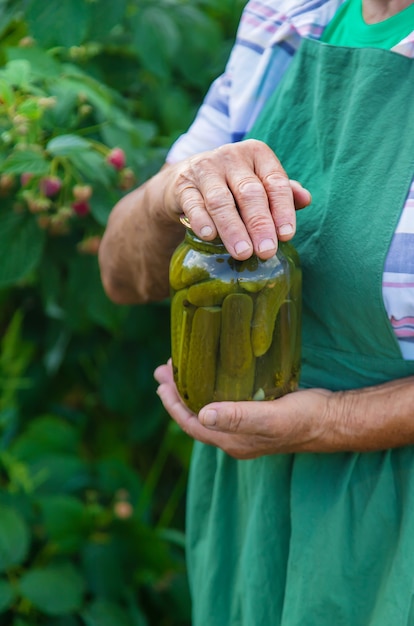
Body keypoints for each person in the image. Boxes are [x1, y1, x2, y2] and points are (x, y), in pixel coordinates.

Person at [98, 0, 414, 623]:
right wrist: (174, 189)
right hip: (253, 506)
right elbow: (121, 273)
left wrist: (337, 420)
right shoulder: (285, 15)